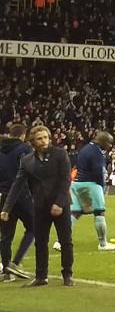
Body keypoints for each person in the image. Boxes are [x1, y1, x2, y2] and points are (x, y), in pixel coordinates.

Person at [0, 125, 74, 286]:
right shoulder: (26, 160)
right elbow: (17, 184)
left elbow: (65, 180)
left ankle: (67, 274)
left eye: (46, 137)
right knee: (40, 241)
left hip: (61, 204)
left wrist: (59, 203)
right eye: (40, 138)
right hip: (40, 206)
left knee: (65, 240)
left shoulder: (60, 154)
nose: (44, 141)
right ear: (33, 141)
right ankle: (41, 276)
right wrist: (6, 208)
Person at [70, 131, 115, 251]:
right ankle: (103, 244)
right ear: (104, 142)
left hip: (77, 183)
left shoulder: (84, 148)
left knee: (76, 213)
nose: (110, 146)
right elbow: (98, 171)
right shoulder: (96, 152)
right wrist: (101, 186)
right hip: (91, 184)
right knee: (99, 212)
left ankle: (60, 241)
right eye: (109, 143)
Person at [0, 122, 34, 280]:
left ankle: (6, 270)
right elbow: (31, 171)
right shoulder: (24, 149)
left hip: (3, 195)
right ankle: (15, 263)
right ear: (22, 135)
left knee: (6, 234)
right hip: (21, 194)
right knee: (34, 227)